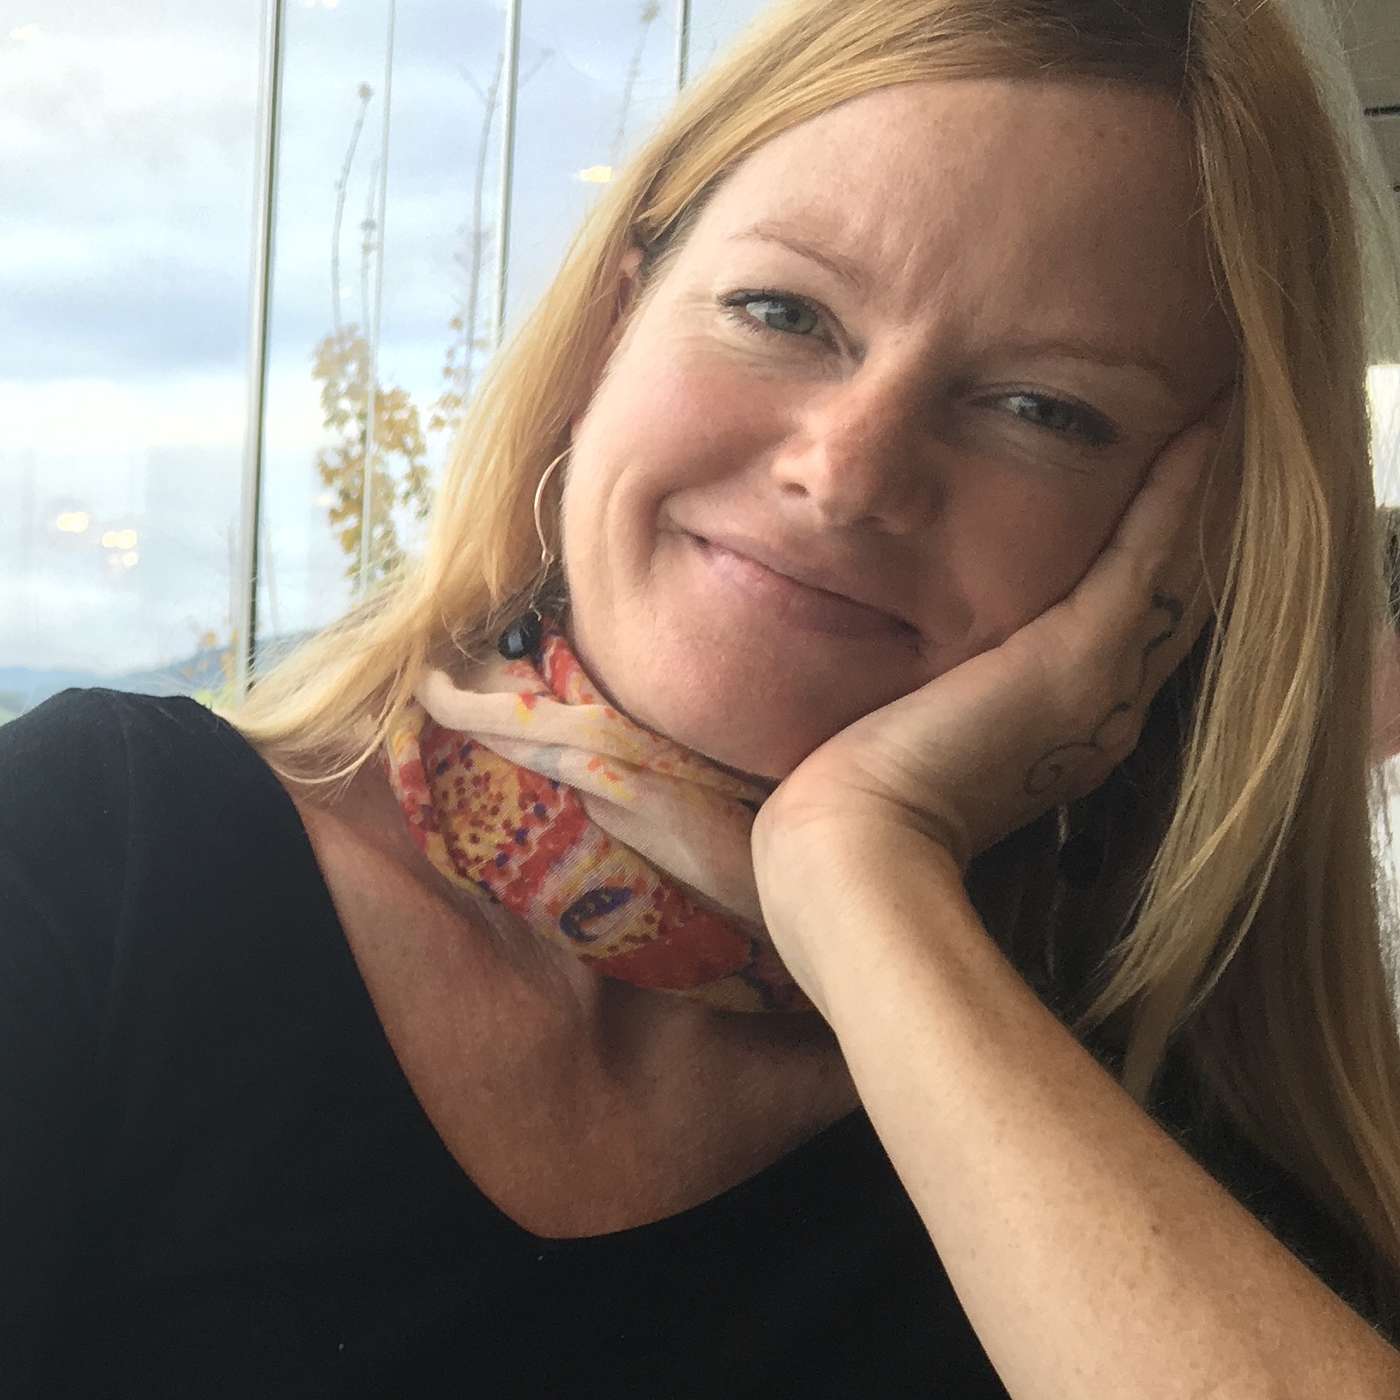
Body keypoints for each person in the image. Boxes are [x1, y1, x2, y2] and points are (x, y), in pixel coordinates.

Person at [4, 0, 1400, 1394]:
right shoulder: (99, 860)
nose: (844, 473)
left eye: (1044, 409)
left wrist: (860, 878)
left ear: (1202, 540)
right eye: (781, 313)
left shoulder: (1198, 1164)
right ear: (613, 327)